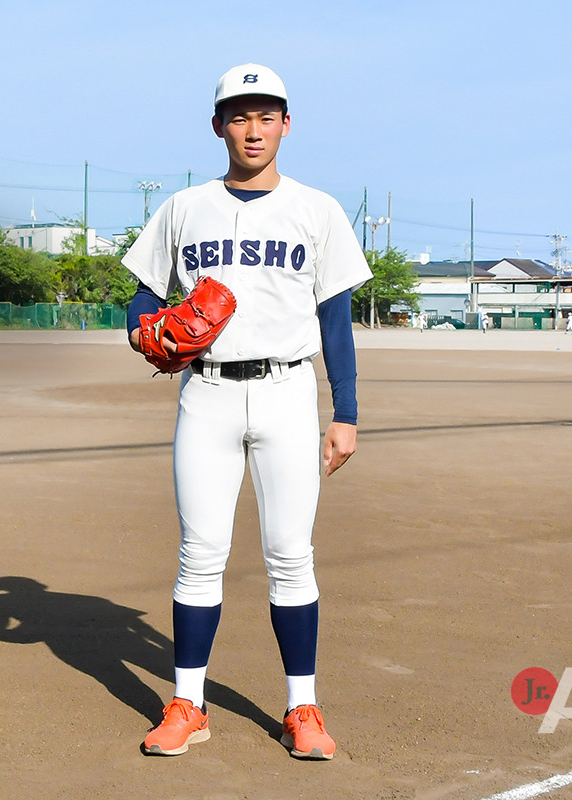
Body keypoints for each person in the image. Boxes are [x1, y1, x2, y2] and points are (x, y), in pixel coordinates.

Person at [122, 63, 372, 761]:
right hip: (207, 394)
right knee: (200, 554)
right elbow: (143, 300)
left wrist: (345, 411)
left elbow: (336, 321)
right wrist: (147, 333)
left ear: (286, 125)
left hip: (290, 392)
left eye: (266, 116)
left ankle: (302, 709)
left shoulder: (317, 209)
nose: (253, 129)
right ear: (217, 125)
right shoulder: (183, 208)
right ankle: (187, 704)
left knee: (291, 556)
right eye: (240, 115)